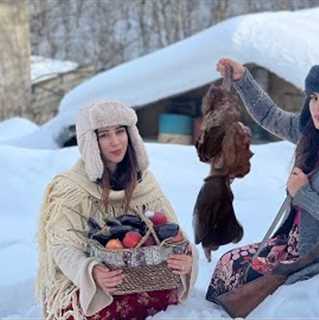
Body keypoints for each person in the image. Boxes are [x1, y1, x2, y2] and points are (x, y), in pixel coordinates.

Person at [206, 58, 319, 304]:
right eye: (313, 97)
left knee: (246, 285)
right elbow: (270, 115)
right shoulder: (310, 134)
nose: (317, 106)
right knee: (229, 265)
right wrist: (242, 79)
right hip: (295, 240)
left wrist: (303, 193)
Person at [36, 101, 198, 320]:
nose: (115, 142)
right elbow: (62, 246)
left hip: (139, 276)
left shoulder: (145, 183)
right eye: (103, 135)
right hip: (86, 281)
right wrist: (91, 272)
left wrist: (186, 258)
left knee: (167, 294)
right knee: (98, 309)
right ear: (90, 142)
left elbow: (172, 232)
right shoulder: (72, 188)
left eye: (120, 131)